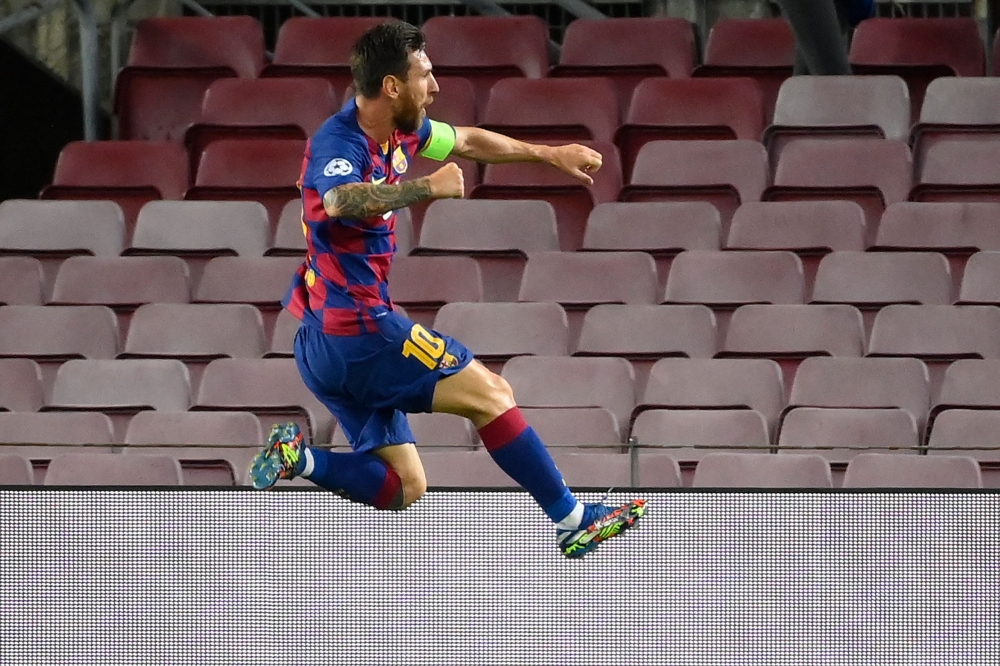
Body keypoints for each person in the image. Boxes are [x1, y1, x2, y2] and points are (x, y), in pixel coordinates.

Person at [248, 20, 646, 559]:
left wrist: (549, 154)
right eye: (425, 75)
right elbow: (340, 201)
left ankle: (302, 459)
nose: (434, 87)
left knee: (404, 487)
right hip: (359, 334)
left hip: (319, 342)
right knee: (492, 395)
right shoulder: (339, 142)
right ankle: (572, 519)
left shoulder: (400, 128)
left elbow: (468, 142)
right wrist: (424, 188)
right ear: (392, 86)